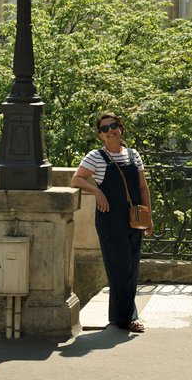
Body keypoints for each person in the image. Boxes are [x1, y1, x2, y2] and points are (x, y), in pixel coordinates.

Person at [71, 114, 154, 333]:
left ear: (121, 128)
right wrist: (97, 191)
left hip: (134, 219)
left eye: (114, 126)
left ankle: (120, 316)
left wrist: (149, 217)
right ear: (100, 134)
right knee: (120, 267)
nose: (111, 130)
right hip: (110, 220)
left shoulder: (134, 155)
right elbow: (76, 179)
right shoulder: (95, 157)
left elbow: (143, 187)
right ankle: (128, 318)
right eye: (105, 128)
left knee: (132, 267)